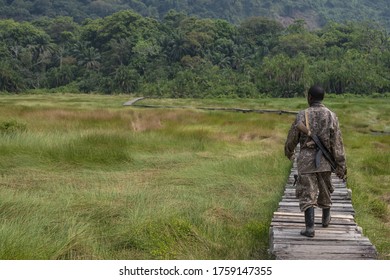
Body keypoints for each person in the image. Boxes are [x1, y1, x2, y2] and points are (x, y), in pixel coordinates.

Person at [284, 85, 347, 237]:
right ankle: (326, 219)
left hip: (306, 160)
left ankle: (310, 228)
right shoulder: (331, 115)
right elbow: (336, 143)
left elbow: (293, 137)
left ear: (310, 97)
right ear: (322, 98)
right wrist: (341, 165)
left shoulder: (302, 115)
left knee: (307, 193)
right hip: (325, 160)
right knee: (325, 189)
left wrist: (289, 151)